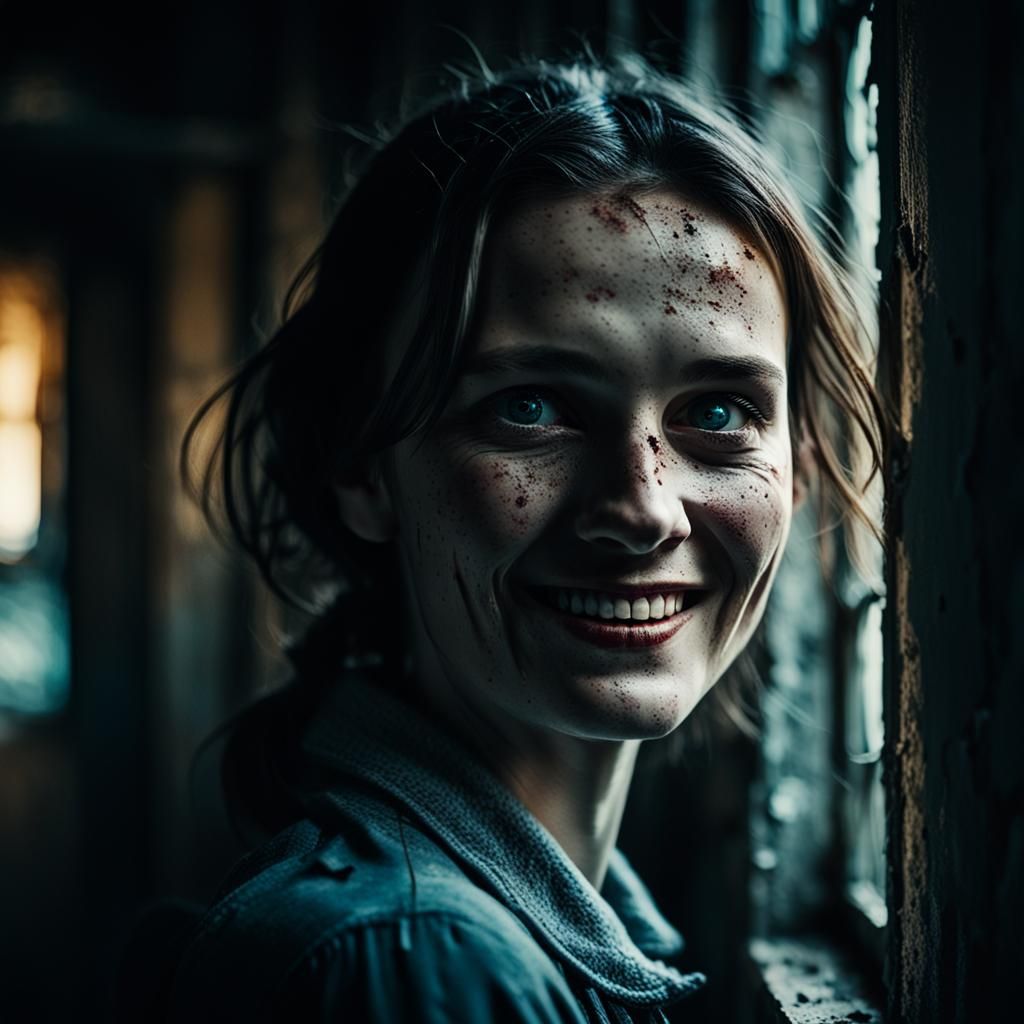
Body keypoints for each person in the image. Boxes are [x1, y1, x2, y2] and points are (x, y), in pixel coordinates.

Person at [152, 54, 886, 1023]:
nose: (644, 507)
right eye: (531, 407)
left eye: (716, 411)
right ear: (362, 466)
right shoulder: (418, 969)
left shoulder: (492, 926)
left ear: (795, 458)